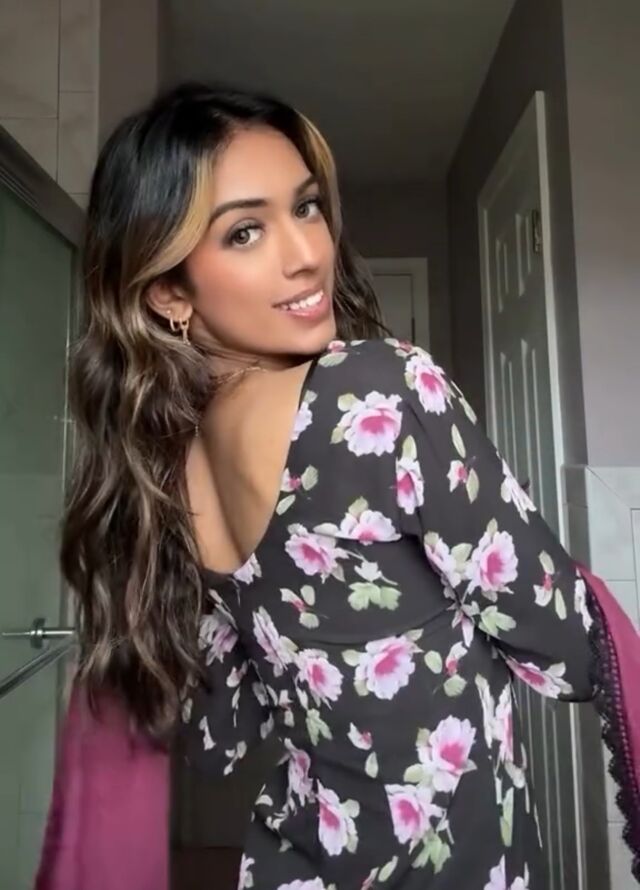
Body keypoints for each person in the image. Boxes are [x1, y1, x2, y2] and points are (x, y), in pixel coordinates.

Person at [47, 82, 639, 890]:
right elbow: (565, 648)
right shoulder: (376, 391)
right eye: (246, 231)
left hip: (295, 864)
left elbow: (221, 732)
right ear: (169, 292)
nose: (306, 253)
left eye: (307, 207)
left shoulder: (168, 464)